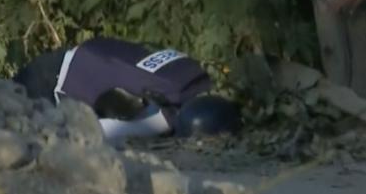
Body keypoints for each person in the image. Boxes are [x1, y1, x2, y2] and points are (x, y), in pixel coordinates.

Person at [12, 37, 242, 143]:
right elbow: (98, 132)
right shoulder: (169, 112)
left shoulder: (191, 77)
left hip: (82, 59)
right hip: (58, 77)